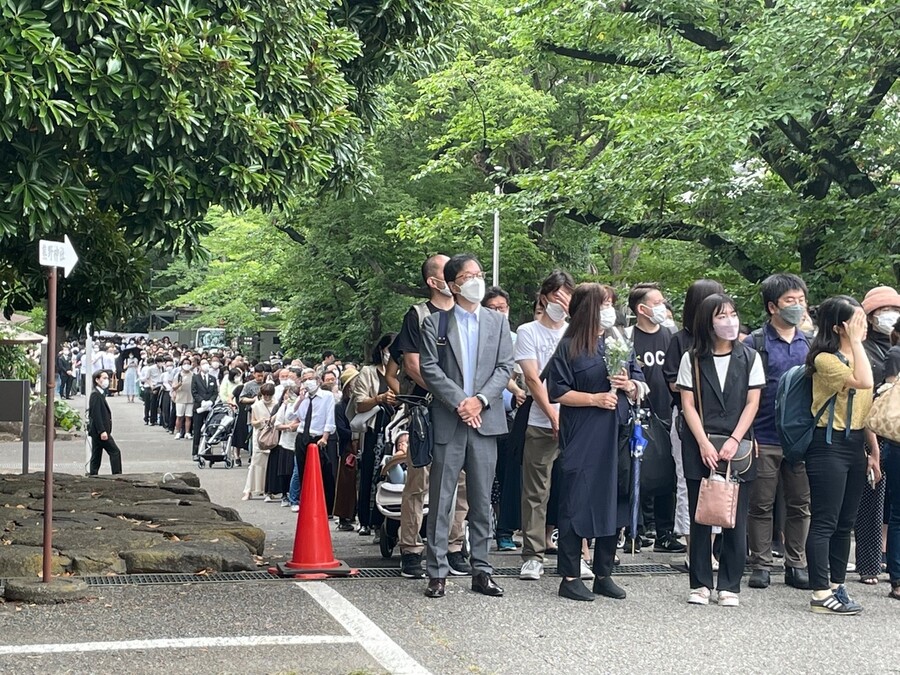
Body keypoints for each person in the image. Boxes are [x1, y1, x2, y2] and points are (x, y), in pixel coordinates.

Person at [419, 253, 514, 599]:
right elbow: (430, 370)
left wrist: (481, 401)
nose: (476, 280)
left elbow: (505, 367)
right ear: (453, 283)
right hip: (450, 419)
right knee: (441, 498)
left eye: (479, 273)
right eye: (468, 275)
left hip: (486, 419)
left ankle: (482, 569)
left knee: (481, 498)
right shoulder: (436, 323)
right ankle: (437, 571)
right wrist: (463, 402)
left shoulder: (497, 322)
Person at [546, 283, 644, 601]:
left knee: (614, 501)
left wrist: (629, 384)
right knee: (576, 501)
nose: (610, 310)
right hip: (583, 433)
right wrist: (594, 398)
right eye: (604, 304)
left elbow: (643, 385)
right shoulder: (570, 346)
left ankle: (604, 573)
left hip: (617, 432)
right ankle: (571, 576)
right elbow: (557, 391)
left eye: (611, 304)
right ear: (588, 308)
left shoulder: (618, 342)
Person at [676, 293, 764, 607]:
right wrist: (702, 442)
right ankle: (700, 583)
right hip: (700, 442)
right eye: (721, 316)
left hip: (737, 446)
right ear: (707, 322)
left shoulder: (750, 356)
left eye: (732, 314)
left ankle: (730, 584)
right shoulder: (692, 358)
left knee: (735, 518)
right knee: (701, 515)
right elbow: (688, 404)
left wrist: (734, 439)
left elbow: (753, 402)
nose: (729, 321)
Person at [386, 254, 470, 579]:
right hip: (426, 408)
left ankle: (453, 545)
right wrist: (447, 395)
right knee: (419, 478)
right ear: (434, 282)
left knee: (461, 481)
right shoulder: (418, 315)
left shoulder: (468, 315)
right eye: (449, 273)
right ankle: (410, 548)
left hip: (462, 411)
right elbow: (410, 364)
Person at [803, 296, 875, 614]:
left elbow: (866, 405)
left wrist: (872, 451)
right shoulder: (825, 359)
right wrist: (856, 343)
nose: (865, 325)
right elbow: (864, 382)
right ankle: (820, 593)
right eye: (857, 320)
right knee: (825, 522)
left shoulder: (859, 354)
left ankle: (836, 585)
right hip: (827, 444)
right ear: (839, 327)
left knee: (845, 523)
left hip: (855, 443)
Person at [744, 274, 812, 591]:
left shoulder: (810, 344)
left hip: (800, 440)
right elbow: (742, 393)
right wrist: (748, 437)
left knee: (800, 504)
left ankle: (796, 563)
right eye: (790, 301)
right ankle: (760, 564)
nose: (797, 306)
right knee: (761, 504)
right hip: (763, 437)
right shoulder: (754, 343)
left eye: (801, 300)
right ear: (772, 306)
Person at [517, 270, 575, 582]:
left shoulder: (576, 332)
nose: (561, 305)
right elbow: (531, 378)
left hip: (576, 423)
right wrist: (553, 416)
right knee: (536, 492)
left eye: (567, 299)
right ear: (544, 297)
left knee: (573, 491)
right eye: (557, 298)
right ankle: (532, 555)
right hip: (541, 423)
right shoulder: (528, 332)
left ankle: (575, 553)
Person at [662, 279, 725, 564]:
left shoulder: (726, 340)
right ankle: (692, 548)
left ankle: (711, 546)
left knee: (718, 482)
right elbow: (673, 383)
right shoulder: (681, 340)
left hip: (722, 421)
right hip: (688, 418)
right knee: (688, 481)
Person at [627, 282, 685, 555]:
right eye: (657, 301)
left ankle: (665, 531)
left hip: (668, 413)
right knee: (634, 473)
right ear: (641, 309)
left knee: (668, 474)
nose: (662, 306)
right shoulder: (627, 338)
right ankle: (632, 531)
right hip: (637, 415)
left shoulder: (671, 335)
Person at [855, 286, 900, 584]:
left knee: (890, 501)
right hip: (869, 424)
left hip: (893, 431)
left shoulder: (892, 347)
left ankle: (886, 557)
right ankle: (870, 563)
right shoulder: (863, 346)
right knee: (871, 499)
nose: (889, 316)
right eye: (882, 311)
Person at [351, 335, 397, 536]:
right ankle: (366, 519)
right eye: (389, 349)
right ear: (381, 349)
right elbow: (359, 404)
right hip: (375, 428)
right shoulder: (368, 372)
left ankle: (389, 520)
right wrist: (379, 398)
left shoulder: (406, 370)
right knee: (370, 472)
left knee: (394, 473)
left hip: (398, 429)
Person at [288, 369, 336, 514]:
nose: (309, 381)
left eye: (311, 378)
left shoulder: (327, 396)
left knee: (323, 471)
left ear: (318, 380)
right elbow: (290, 415)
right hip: (303, 435)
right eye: (305, 379)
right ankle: (307, 504)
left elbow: (329, 417)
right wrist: (300, 399)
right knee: (303, 472)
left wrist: (325, 437)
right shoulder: (303, 398)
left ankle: (327, 507)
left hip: (318, 436)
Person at [881, 317, 900, 600]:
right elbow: (889, 396)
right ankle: (897, 578)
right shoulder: (896, 354)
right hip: (897, 440)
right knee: (898, 513)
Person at [245, 382, 279, 500]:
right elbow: (253, 422)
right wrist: (260, 421)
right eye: (265, 395)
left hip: (272, 436)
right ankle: (249, 490)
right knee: (256, 463)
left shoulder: (277, 405)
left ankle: (268, 489)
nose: (267, 397)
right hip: (259, 436)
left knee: (269, 464)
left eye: (269, 395)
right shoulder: (256, 405)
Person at [87, 370, 123, 475]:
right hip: (100, 431)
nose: (106, 380)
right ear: (97, 380)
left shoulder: (100, 394)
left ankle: (93, 474)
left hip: (98, 431)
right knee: (115, 451)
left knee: (96, 454)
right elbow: (96, 414)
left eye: (107, 378)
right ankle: (116, 474)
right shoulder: (96, 395)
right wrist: (102, 430)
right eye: (104, 378)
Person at [191, 359, 219, 461]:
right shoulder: (195, 378)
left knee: (209, 429)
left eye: (207, 364)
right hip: (199, 407)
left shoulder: (212, 378)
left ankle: (208, 450)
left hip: (209, 408)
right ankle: (195, 452)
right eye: (203, 364)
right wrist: (202, 401)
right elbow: (194, 392)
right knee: (197, 430)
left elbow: (215, 392)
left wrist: (211, 401)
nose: (205, 366)